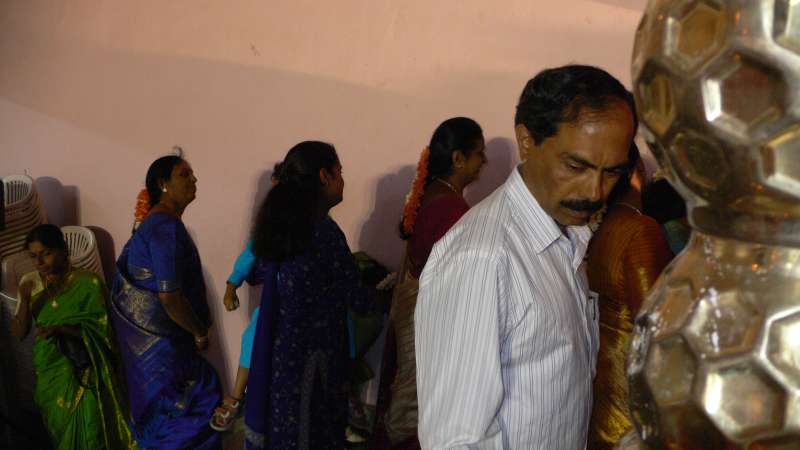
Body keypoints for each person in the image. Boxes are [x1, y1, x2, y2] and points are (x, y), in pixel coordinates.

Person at [414, 65, 636, 449]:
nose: (595, 191)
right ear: (527, 141)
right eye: (576, 166)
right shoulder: (483, 258)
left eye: (612, 172)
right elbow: (455, 441)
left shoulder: (566, 237)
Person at [243, 141, 383, 449]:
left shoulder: (281, 224)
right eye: (339, 173)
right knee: (310, 434)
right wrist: (390, 294)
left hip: (282, 355)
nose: (343, 181)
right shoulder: (322, 231)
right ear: (324, 176)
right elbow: (357, 298)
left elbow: (258, 273)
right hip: (315, 362)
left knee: (287, 434)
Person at [378, 117, 486, 449]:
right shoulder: (450, 208)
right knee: (420, 408)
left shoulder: (432, 194)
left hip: (417, 314)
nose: (483, 162)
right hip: (431, 322)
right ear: (458, 158)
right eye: (479, 154)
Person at [109, 155, 222, 449]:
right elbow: (169, 296)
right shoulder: (165, 228)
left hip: (150, 357)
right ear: (163, 184)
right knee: (195, 406)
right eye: (184, 174)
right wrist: (199, 332)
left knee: (162, 422)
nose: (194, 179)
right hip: (167, 352)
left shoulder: (151, 225)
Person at [11, 224, 137, 450]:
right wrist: (25, 297)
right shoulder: (30, 283)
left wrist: (62, 329)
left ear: (63, 250)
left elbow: (104, 332)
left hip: (84, 368)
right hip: (51, 369)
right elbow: (19, 334)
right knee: (61, 427)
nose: (39, 262)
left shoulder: (88, 282)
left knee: (90, 424)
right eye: (33, 256)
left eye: (46, 254)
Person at [585, 144, 673, 450]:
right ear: (638, 172)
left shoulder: (603, 226)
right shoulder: (640, 229)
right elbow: (653, 323)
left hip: (604, 369)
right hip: (630, 376)